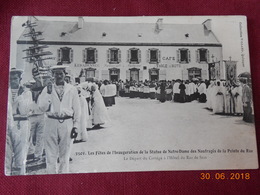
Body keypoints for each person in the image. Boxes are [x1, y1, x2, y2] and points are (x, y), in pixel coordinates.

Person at [38, 63, 81, 174]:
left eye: (60, 73)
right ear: (53, 75)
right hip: (51, 122)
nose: (58, 76)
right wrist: (48, 93)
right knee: (50, 155)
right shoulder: (47, 89)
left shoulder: (72, 89)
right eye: (56, 74)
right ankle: (51, 179)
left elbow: (77, 109)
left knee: (65, 155)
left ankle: (63, 179)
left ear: (64, 74)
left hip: (67, 122)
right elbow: (42, 107)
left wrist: (76, 126)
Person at [6, 68, 33, 175]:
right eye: (10, 79)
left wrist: (20, 97)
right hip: (8, 124)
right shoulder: (5, 91)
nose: (12, 81)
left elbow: (24, 110)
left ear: (20, 79)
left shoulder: (27, 93)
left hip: (21, 124)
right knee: (6, 155)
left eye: (15, 78)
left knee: (20, 156)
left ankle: (20, 178)